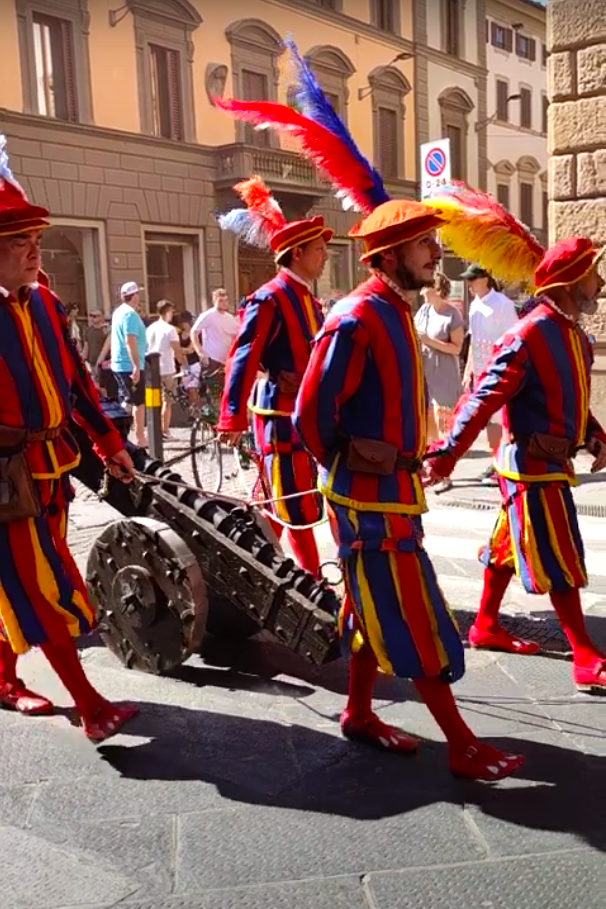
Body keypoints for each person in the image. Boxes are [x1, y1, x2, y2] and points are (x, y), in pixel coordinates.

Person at [294, 199, 524, 781]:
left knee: (372, 602)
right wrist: (353, 466)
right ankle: (462, 743)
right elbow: (311, 415)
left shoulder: (394, 310)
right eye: (425, 244)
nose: (436, 252)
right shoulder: (357, 315)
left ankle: (358, 711)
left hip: (392, 487)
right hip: (366, 495)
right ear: (390, 256)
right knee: (409, 608)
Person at [0, 135, 138, 741]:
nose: (35, 251)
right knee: (45, 582)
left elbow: (80, 385)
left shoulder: (49, 305)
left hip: (53, 463)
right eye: (19, 243)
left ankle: (3, 678)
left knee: (26, 576)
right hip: (6, 475)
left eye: (35, 241)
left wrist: (110, 444)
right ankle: (89, 705)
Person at [425, 236, 606, 693]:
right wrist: (448, 453)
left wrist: (594, 434)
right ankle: (584, 655)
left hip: (549, 464)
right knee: (561, 556)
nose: (599, 282)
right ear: (568, 282)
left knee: (507, 548)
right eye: (591, 273)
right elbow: (484, 396)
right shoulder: (527, 335)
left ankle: (484, 625)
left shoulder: (576, 338)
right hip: (529, 466)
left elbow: (572, 400)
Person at [216, 176, 331, 577]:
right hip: (279, 416)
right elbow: (243, 357)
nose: (325, 256)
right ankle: (313, 583)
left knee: (279, 502)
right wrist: (231, 417)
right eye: (319, 249)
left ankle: (245, 570)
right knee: (293, 499)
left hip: (303, 414)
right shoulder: (270, 297)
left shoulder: (309, 301)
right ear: (297, 253)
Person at [462, 265, 519, 486]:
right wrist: (469, 370)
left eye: (472, 279)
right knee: (489, 420)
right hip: (481, 371)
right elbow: (473, 340)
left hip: (499, 369)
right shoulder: (474, 306)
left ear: (485, 279)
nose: (469, 284)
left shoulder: (502, 304)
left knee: (503, 419)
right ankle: (496, 462)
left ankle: (504, 463)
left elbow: (514, 337)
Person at [414, 271, 464, 493]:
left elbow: (457, 348)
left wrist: (429, 341)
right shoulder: (424, 311)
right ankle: (429, 468)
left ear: (436, 289)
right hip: (425, 371)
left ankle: (444, 474)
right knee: (428, 424)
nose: (423, 292)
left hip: (443, 371)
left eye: (426, 287)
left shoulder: (452, 314)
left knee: (443, 422)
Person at [108, 281, 147, 448]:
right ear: (134, 296)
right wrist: (136, 366)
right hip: (128, 364)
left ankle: (121, 436)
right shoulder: (130, 314)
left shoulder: (118, 312)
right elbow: (130, 340)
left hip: (119, 363)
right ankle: (137, 438)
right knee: (136, 402)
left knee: (126, 399)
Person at [145, 299, 184, 438]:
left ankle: (153, 429)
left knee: (153, 401)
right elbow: (177, 350)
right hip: (167, 369)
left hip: (152, 370)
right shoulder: (170, 329)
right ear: (167, 312)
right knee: (167, 401)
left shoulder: (150, 328)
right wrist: (183, 365)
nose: (172, 314)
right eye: (172, 311)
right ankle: (165, 430)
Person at [192, 288, 238, 371]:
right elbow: (194, 332)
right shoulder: (208, 315)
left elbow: (236, 336)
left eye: (225, 300)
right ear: (214, 302)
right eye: (221, 301)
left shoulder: (230, 318)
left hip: (227, 362)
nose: (224, 303)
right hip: (211, 360)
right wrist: (200, 352)